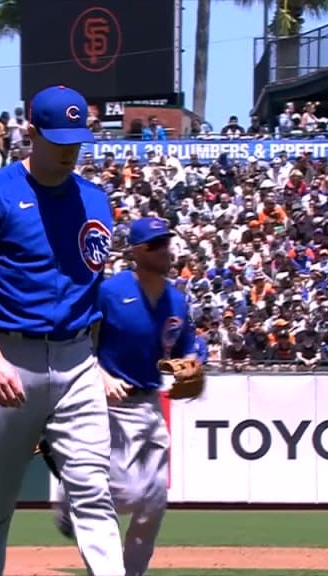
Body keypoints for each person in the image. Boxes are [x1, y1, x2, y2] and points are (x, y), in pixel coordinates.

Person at [0, 85, 125, 576]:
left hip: (77, 363)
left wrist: (100, 362)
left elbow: (91, 291)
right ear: (31, 132)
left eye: (77, 138)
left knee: (93, 494)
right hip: (12, 358)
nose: (70, 149)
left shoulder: (95, 200)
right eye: (58, 138)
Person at [52, 216, 198, 576]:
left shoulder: (177, 301)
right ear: (136, 251)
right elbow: (74, 339)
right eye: (154, 244)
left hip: (148, 402)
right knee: (125, 495)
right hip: (106, 403)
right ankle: (73, 493)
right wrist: (99, 374)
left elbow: (184, 352)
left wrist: (190, 369)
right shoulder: (109, 291)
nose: (164, 250)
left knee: (154, 503)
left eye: (166, 242)